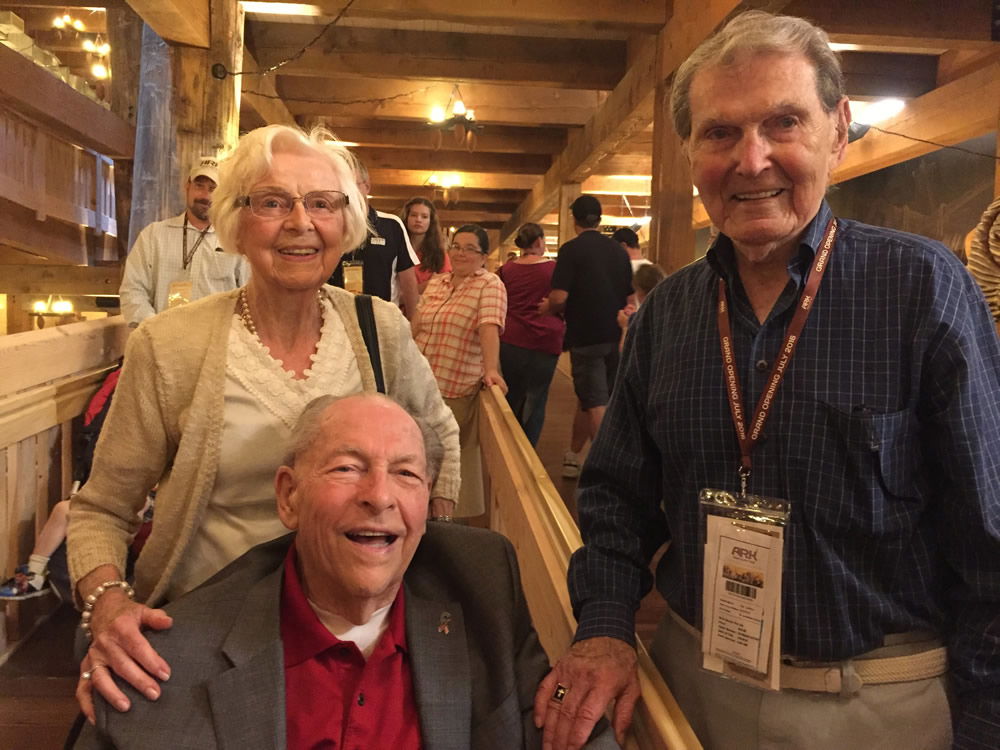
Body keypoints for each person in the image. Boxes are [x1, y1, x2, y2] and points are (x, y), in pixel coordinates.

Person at [536, 11, 1000, 750]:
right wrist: (605, 629)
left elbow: (990, 543)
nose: (751, 161)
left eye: (783, 123)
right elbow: (616, 499)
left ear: (838, 128)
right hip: (688, 683)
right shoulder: (670, 314)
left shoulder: (922, 289)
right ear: (691, 150)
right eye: (721, 133)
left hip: (874, 707)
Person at [67, 124, 461, 725]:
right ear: (237, 219)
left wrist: (412, 551)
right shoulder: (170, 344)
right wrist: (107, 602)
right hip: (201, 633)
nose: (301, 223)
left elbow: (440, 442)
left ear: (346, 222)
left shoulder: (381, 331)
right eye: (274, 202)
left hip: (352, 636)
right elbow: (101, 509)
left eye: (322, 203)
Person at [73, 394, 619, 749]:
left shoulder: (481, 589)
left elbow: (562, 723)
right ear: (288, 497)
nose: (379, 496)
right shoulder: (163, 669)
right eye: (347, 468)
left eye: (405, 473)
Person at [413, 224, 507, 517]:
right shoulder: (437, 283)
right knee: (417, 458)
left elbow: (489, 327)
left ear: (483, 256)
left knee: (446, 462)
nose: (461, 253)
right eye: (456, 246)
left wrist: (492, 370)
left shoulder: (490, 284)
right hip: (418, 385)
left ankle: (444, 524)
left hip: (453, 390)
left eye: (470, 248)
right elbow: (417, 327)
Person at [539, 195, 631, 479]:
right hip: (615, 337)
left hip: (585, 336)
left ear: (573, 219)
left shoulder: (571, 250)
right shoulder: (618, 251)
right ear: (599, 219)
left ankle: (611, 469)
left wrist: (548, 307)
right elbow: (629, 296)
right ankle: (573, 454)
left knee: (595, 404)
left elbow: (559, 296)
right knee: (589, 399)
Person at [118, 157, 250, 326]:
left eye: (212, 188)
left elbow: (248, 298)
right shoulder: (153, 236)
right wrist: (154, 331)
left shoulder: (236, 241)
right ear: (187, 187)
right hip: (164, 341)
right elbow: (133, 290)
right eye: (199, 186)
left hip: (216, 344)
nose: (205, 195)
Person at [497, 222, 565, 446]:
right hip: (546, 340)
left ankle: (510, 448)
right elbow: (564, 301)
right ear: (538, 242)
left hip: (512, 340)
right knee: (537, 399)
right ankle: (529, 450)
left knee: (512, 396)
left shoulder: (506, 270)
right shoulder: (554, 270)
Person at [328, 159, 421, 319]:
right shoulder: (328, 224)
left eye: (353, 184)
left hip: (382, 323)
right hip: (335, 321)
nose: (347, 191)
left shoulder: (391, 225)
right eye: (342, 186)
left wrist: (413, 324)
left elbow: (408, 281)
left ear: (367, 187)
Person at [402, 196, 450, 293]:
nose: (418, 220)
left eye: (424, 216)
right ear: (406, 217)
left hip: (426, 305)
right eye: (414, 215)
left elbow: (445, 282)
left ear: (431, 221)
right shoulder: (394, 249)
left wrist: (407, 296)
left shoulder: (439, 254)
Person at [615, 263, 664, 352]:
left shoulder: (649, 316)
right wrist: (635, 315)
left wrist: (626, 326)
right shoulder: (665, 309)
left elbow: (625, 351)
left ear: (640, 291)